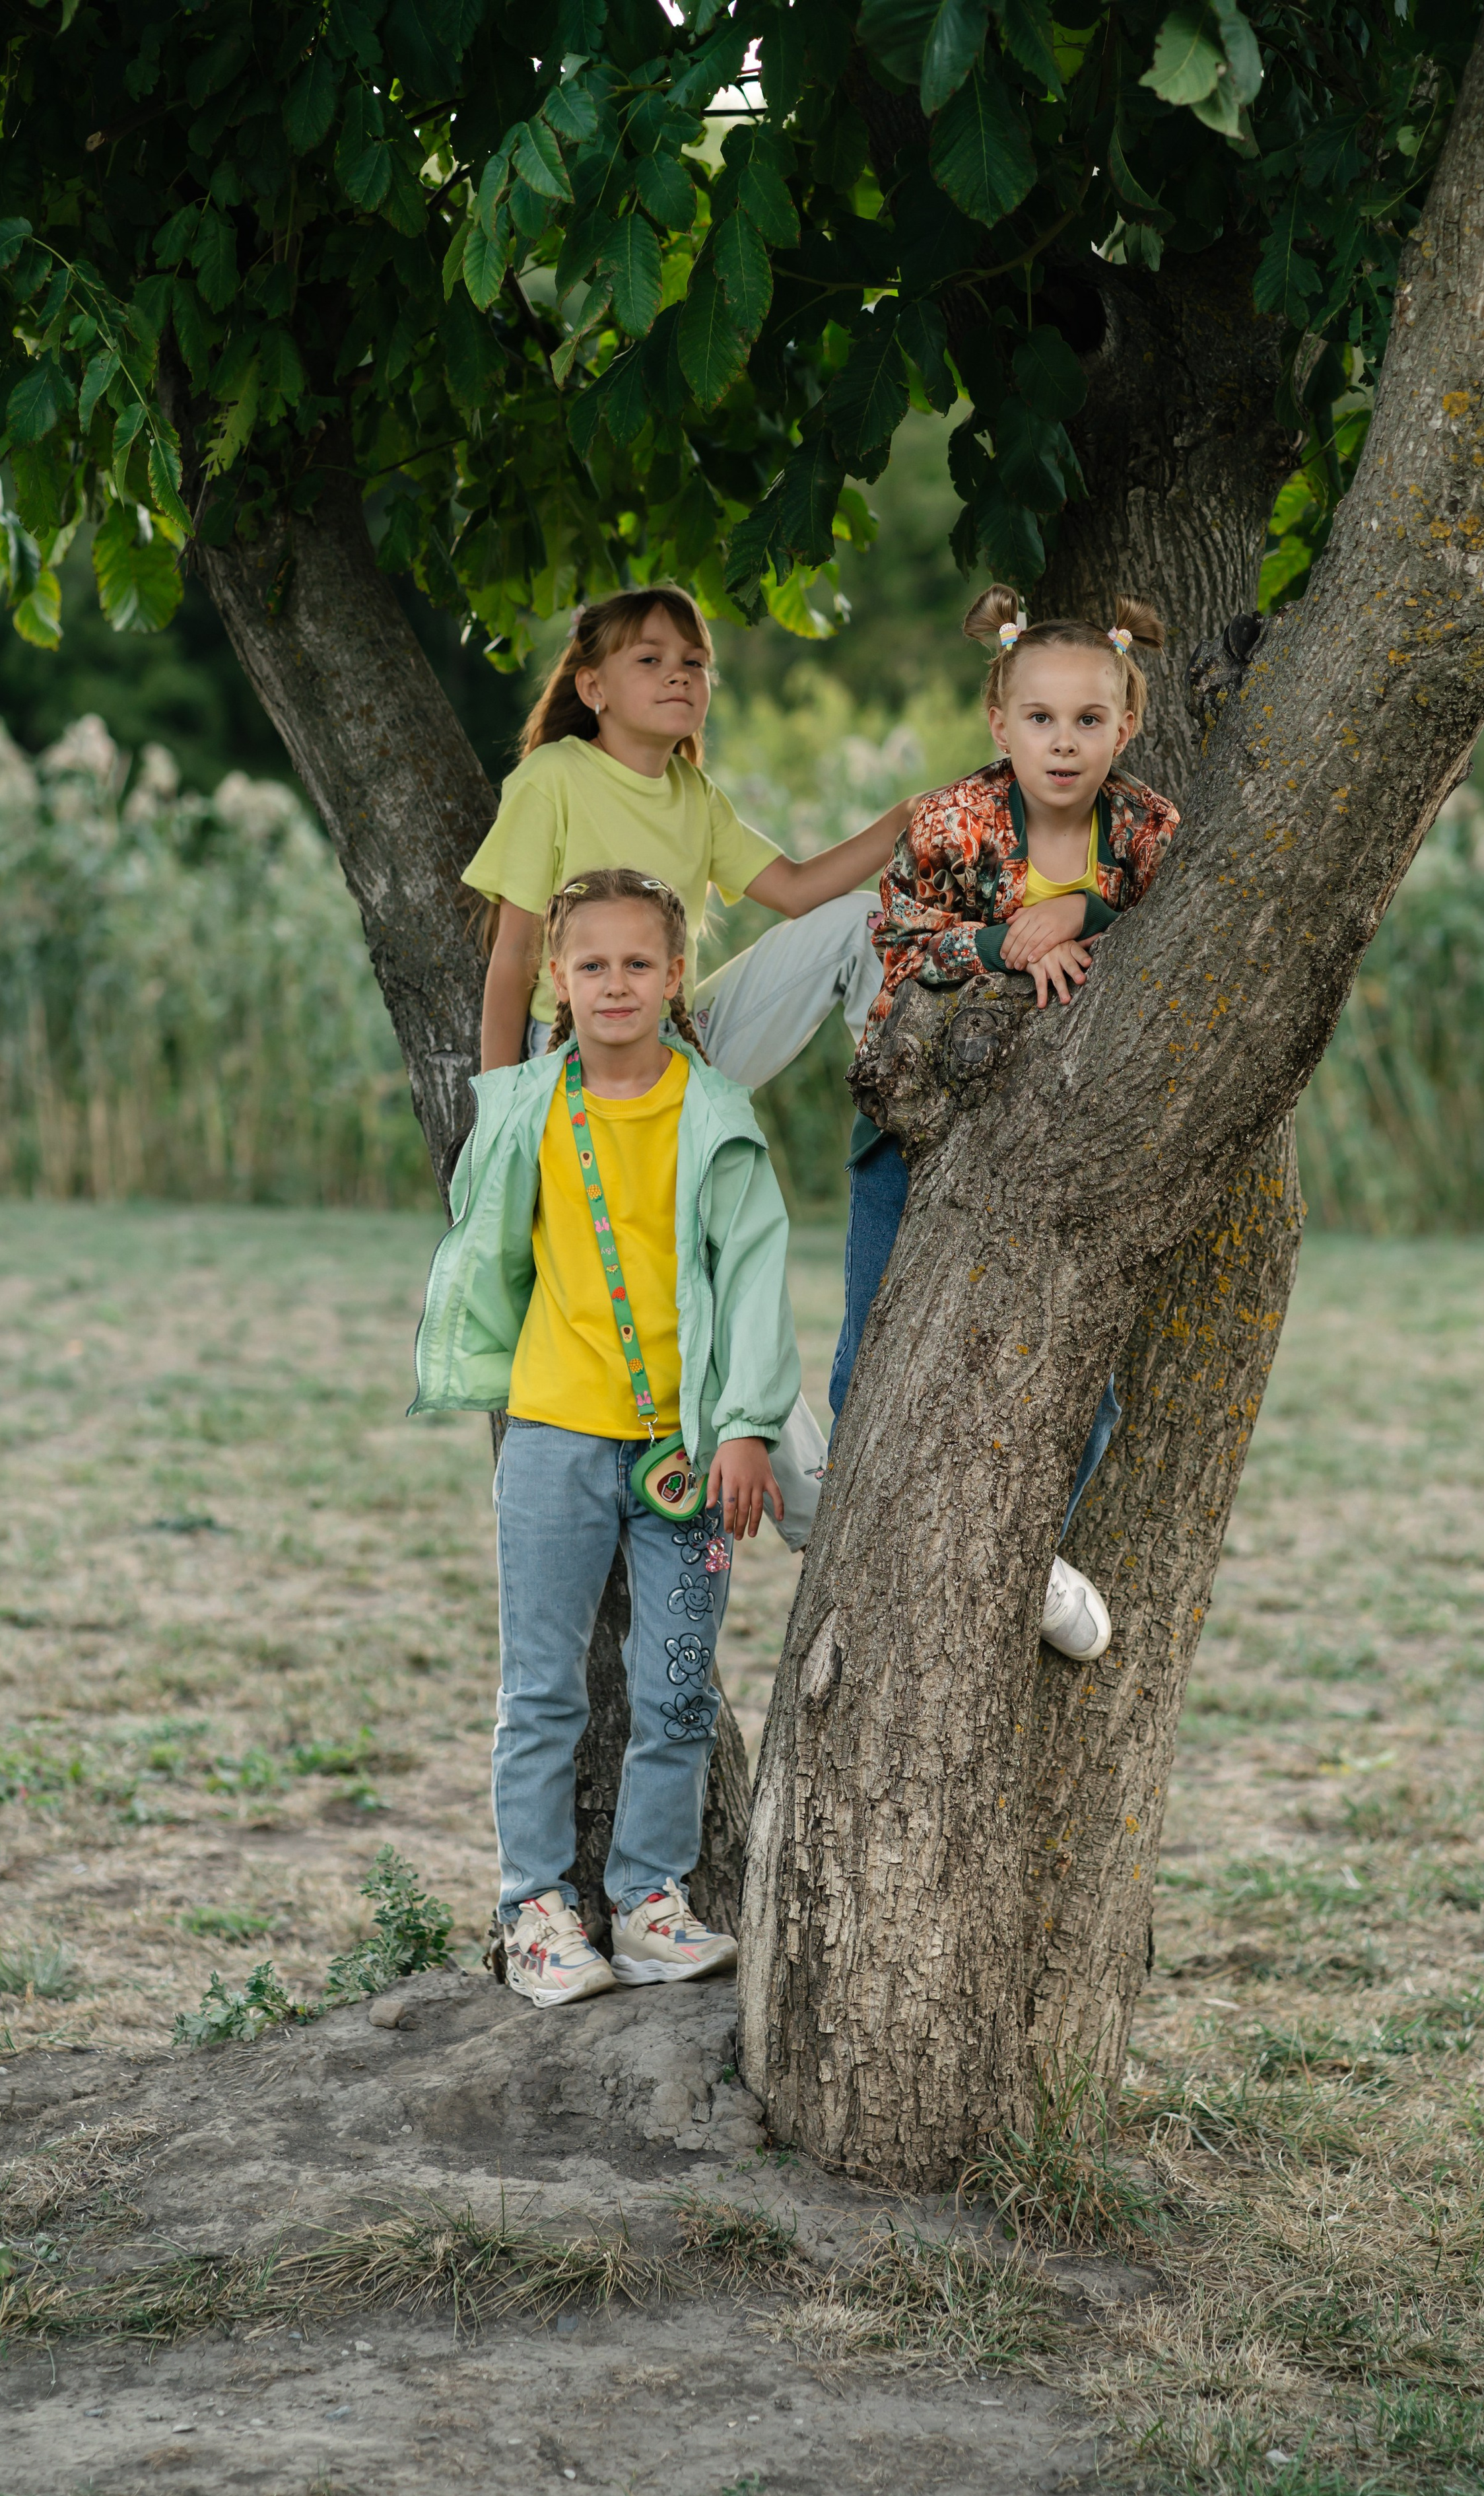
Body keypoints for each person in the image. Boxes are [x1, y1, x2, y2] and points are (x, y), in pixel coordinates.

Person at [412, 867, 800, 2008]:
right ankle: (535, 1911)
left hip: (690, 1455)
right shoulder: (524, 1105)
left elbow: (756, 1277)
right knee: (543, 1692)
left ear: (676, 977)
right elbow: (492, 1244)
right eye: (592, 964)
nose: (616, 983)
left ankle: (646, 1904)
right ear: (558, 979)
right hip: (552, 1439)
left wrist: (747, 1427)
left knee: (676, 1691)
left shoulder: (716, 1117)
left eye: (639, 963)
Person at [829, 587, 1182, 1662]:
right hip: (925, 1129)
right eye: (1040, 718)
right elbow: (897, 936)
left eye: (1088, 720)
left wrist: (1087, 911)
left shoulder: (1148, 831)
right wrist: (1000, 944)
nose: (1063, 742)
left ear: (1126, 725)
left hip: (1067, 1150)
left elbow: (1189, 932)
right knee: (867, 1356)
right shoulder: (950, 822)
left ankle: (1023, 1564)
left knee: (1085, 1390)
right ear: (1000, 722)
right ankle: (858, 1551)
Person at [465, 584, 908, 1086]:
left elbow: (795, 889)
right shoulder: (552, 778)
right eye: (650, 659)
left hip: (679, 1041)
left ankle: (898, 1111)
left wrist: (905, 818)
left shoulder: (695, 792)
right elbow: (514, 955)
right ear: (593, 689)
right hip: (578, 1052)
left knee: (862, 922)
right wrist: (499, 1107)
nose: (679, 674)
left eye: (694, 663)